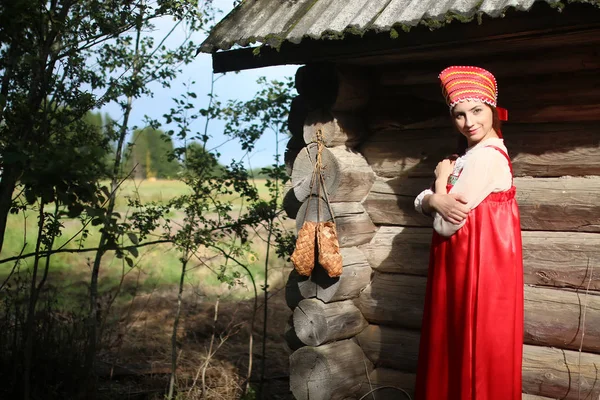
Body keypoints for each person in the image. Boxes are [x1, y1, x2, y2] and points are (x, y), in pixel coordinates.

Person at [413, 66, 524, 400]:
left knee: (475, 349)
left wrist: (437, 183)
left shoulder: (485, 159)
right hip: (463, 270)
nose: (468, 122)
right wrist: (434, 199)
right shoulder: (469, 156)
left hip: (478, 272)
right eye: (459, 115)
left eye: (477, 111)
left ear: (492, 109)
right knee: (458, 346)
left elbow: (445, 222)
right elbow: (428, 204)